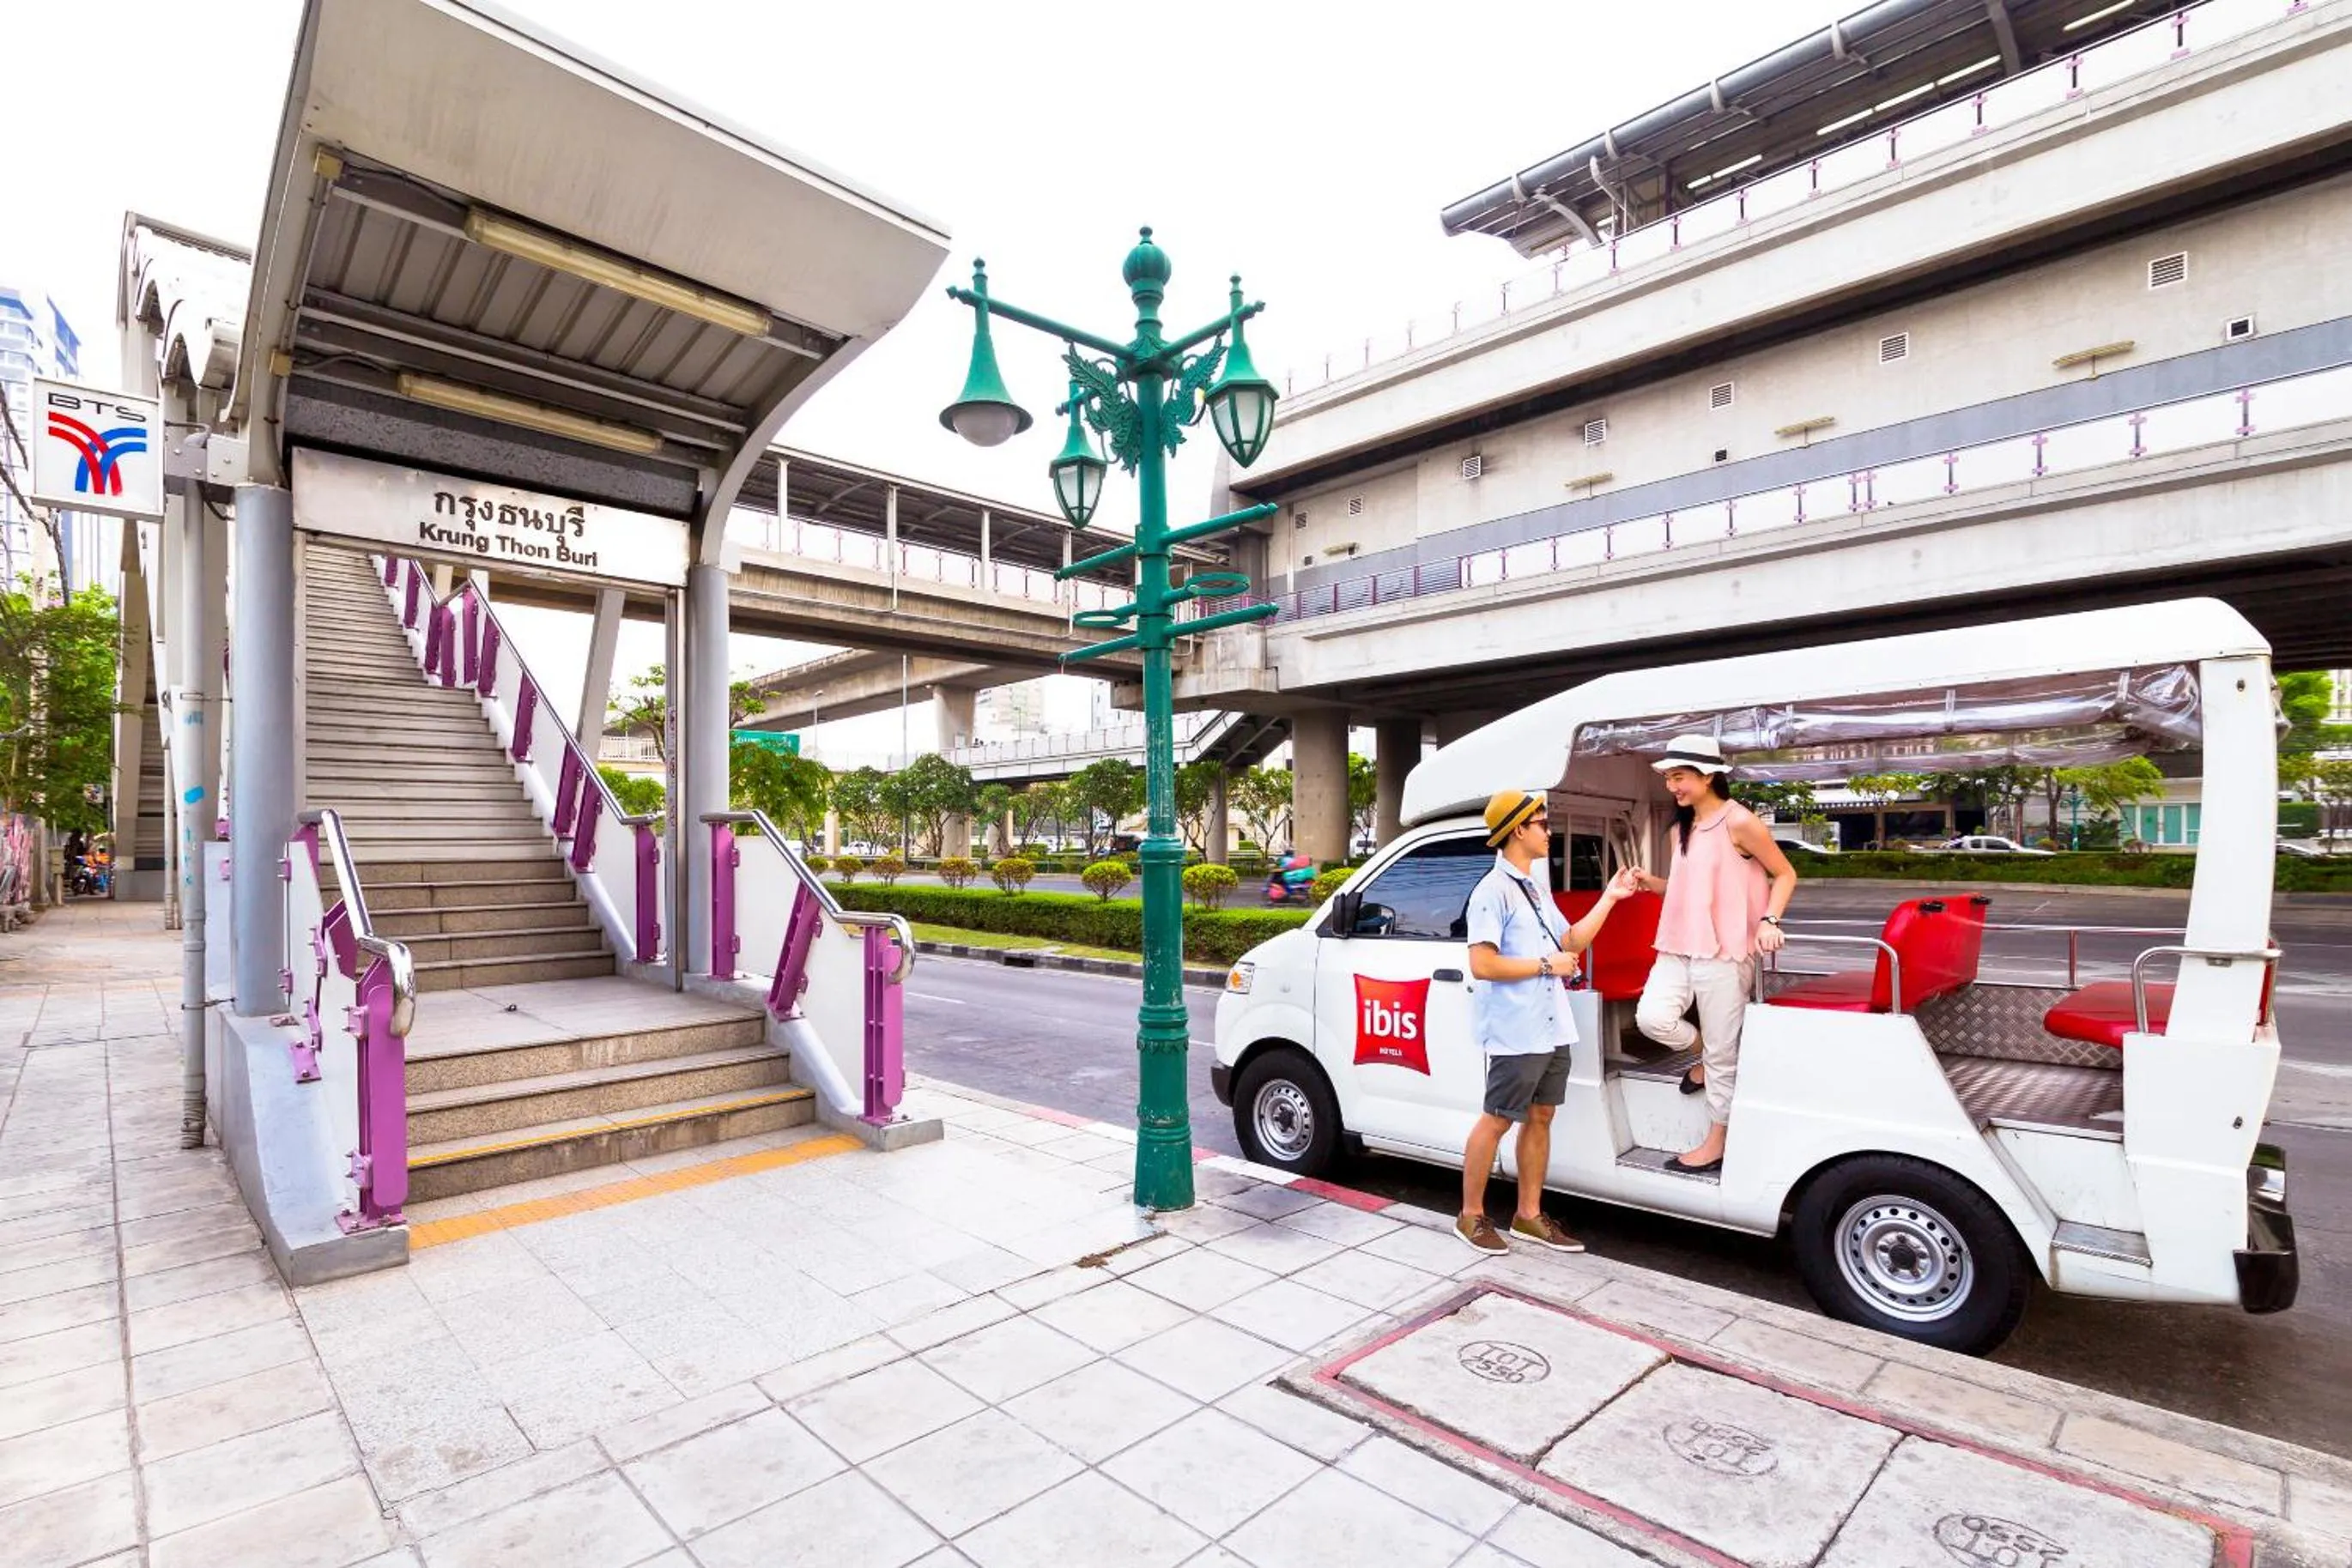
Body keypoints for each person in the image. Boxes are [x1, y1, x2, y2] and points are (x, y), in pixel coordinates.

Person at [1458, 788, 1642, 1255]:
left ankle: (1528, 1215)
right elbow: (1482, 964)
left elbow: (1571, 940)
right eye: (1541, 823)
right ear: (1518, 829)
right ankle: (1471, 1216)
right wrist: (1546, 965)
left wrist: (1611, 897)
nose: (1548, 830)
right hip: (1516, 1026)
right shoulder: (1491, 891)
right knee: (1498, 1119)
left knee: (1542, 1115)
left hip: (1550, 1022)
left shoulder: (1534, 886)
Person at [1629, 736, 1798, 1174]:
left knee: (1725, 1054)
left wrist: (1770, 921)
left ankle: (1718, 1139)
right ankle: (1702, 1057)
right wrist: (1653, 882)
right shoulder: (1678, 830)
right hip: (1678, 944)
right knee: (1652, 1018)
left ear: (1709, 776)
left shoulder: (1740, 822)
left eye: (1678, 778)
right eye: (1668, 779)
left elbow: (1785, 874)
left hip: (1724, 951)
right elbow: (1691, 889)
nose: (1673, 788)